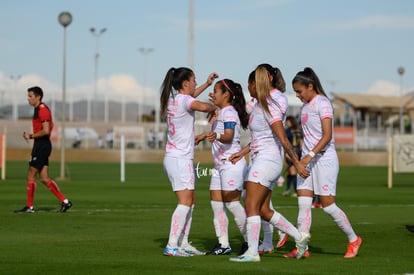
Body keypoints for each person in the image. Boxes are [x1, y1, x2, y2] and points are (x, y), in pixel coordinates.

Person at [228, 64, 310, 262]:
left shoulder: (270, 103)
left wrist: (297, 163)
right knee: (263, 210)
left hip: (268, 159)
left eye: (250, 84)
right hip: (261, 157)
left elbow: (282, 137)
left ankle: (253, 252)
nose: (249, 89)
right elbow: (260, 137)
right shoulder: (258, 104)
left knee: (250, 205)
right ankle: (300, 238)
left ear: (255, 84)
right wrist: (242, 152)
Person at [285, 67, 362, 259]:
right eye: (295, 92)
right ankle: (302, 247)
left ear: (310, 86)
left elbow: (327, 136)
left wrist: (308, 156)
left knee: (328, 206)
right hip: (307, 161)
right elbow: (309, 136)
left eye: (300, 91)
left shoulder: (323, 103)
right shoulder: (304, 107)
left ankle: (354, 239)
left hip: (324, 160)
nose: (298, 95)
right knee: (303, 204)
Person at [161, 67, 218, 256]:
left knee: (190, 201)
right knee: (185, 202)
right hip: (180, 159)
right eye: (194, 80)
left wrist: (207, 85)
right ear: (185, 83)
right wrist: (217, 106)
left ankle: (183, 243)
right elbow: (201, 106)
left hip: (176, 158)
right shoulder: (186, 101)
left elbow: (190, 96)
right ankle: (171, 245)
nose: (195, 83)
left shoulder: (175, 100)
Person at [195, 79, 249, 256]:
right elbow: (218, 132)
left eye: (216, 91)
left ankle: (250, 241)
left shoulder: (230, 112)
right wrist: (206, 134)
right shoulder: (222, 111)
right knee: (216, 205)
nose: (213, 94)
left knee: (232, 204)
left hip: (231, 164)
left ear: (226, 94)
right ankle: (223, 244)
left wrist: (214, 134)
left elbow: (228, 136)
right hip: (219, 166)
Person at [14, 86, 72, 213]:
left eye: (30, 96)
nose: (28, 99)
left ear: (38, 97)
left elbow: (46, 130)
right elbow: (49, 126)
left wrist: (30, 136)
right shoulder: (38, 109)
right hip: (41, 145)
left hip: (42, 145)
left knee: (31, 174)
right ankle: (65, 201)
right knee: (44, 178)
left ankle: (29, 207)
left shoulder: (42, 110)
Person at [282, 116, 302, 197]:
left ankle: (296, 191)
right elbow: (301, 143)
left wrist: (287, 153)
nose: (287, 123)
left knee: (292, 172)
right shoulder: (298, 130)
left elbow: (285, 143)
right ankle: (287, 190)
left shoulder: (288, 131)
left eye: (288, 122)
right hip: (297, 152)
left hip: (292, 152)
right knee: (290, 172)